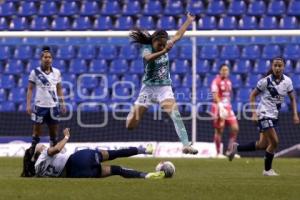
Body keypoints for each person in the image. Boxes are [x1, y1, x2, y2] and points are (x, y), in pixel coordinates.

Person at [126, 13, 198, 154]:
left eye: (163, 45)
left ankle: (186, 144)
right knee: (131, 125)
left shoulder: (165, 45)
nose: (161, 47)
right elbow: (148, 58)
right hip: (147, 89)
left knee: (175, 114)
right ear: (153, 41)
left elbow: (178, 35)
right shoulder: (147, 48)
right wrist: (164, 50)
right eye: (159, 45)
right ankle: (132, 113)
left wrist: (188, 21)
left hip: (164, 87)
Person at [227, 58, 300, 176]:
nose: (277, 68)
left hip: (274, 115)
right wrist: (254, 113)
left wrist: (295, 114)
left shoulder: (288, 81)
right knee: (275, 142)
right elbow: (252, 96)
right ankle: (267, 170)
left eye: (279, 66)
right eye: (275, 65)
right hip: (264, 114)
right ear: (272, 66)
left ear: (284, 67)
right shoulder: (265, 81)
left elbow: (292, 98)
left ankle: (237, 148)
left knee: (263, 145)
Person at [21, 128, 165, 179]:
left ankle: (148, 176)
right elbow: (57, 149)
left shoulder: (38, 171)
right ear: (36, 153)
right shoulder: (45, 153)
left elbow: (56, 157)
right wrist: (66, 137)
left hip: (77, 174)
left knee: (117, 170)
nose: (41, 144)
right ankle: (145, 150)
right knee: (114, 153)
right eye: (37, 145)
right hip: (79, 159)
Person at [26, 46, 66, 154]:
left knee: (53, 133)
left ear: (52, 59)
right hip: (40, 107)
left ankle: (53, 155)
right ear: (41, 59)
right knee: (36, 131)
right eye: (45, 57)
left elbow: (59, 89)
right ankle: (32, 154)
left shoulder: (57, 72)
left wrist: (62, 103)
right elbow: (30, 89)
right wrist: (28, 104)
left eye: (49, 57)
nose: (47, 59)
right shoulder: (35, 72)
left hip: (53, 107)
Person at [211, 64, 239, 158]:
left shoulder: (229, 82)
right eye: (223, 70)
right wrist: (220, 105)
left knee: (235, 128)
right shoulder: (216, 81)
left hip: (228, 108)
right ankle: (218, 153)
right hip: (218, 107)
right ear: (220, 71)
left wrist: (227, 107)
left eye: (226, 70)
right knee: (219, 130)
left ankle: (229, 151)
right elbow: (215, 95)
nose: (225, 72)